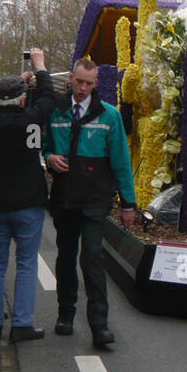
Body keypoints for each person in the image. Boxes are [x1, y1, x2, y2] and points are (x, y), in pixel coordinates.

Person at [44, 57, 136, 350]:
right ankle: (65, 314)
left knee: (93, 258)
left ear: (96, 84)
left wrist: (128, 203)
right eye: (79, 82)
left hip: (96, 200)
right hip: (64, 198)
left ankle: (99, 325)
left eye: (89, 83)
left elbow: (121, 159)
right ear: (71, 78)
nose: (83, 88)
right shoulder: (56, 111)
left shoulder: (109, 116)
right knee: (66, 256)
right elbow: (41, 145)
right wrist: (48, 158)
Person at [0, 49, 56, 342]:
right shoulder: (31, 120)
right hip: (28, 201)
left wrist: (15, 83)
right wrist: (40, 67)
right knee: (26, 262)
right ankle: (22, 323)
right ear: (23, 99)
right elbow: (48, 98)